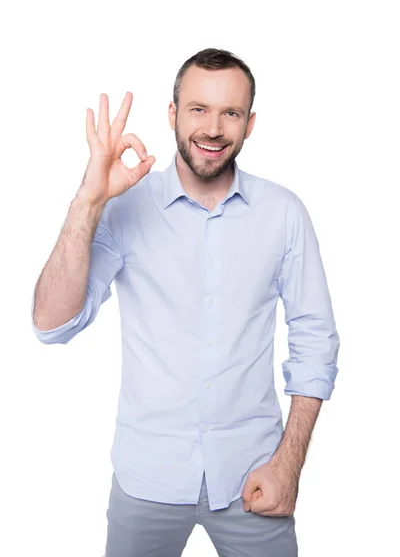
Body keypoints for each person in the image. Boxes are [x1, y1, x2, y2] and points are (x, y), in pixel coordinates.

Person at [31, 47, 340, 557]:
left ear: (250, 123)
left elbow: (315, 340)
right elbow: (51, 324)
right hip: (145, 477)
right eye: (198, 109)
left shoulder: (284, 213)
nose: (213, 128)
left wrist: (288, 467)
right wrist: (89, 201)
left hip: (253, 479)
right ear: (172, 114)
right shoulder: (124, 206)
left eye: (230, 113)